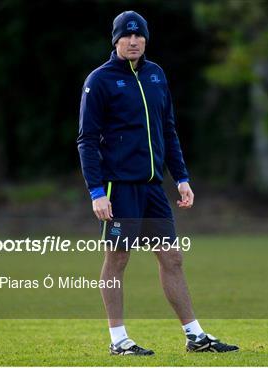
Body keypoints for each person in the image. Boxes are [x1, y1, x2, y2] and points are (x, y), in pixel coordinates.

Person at [77, 10, 239, 356]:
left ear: (146, 39)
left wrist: (181, 177)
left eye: (139, 36)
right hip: (118, 189)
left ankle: (195, 336)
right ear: (116, 40)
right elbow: (86, 140)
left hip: (152, 188)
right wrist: (95, 192)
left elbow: (168, 129)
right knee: (117, 260)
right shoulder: (100, 80)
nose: (133, 41)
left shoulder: (156, 75)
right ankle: (119, 340)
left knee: (172, 258)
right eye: (126, 36)